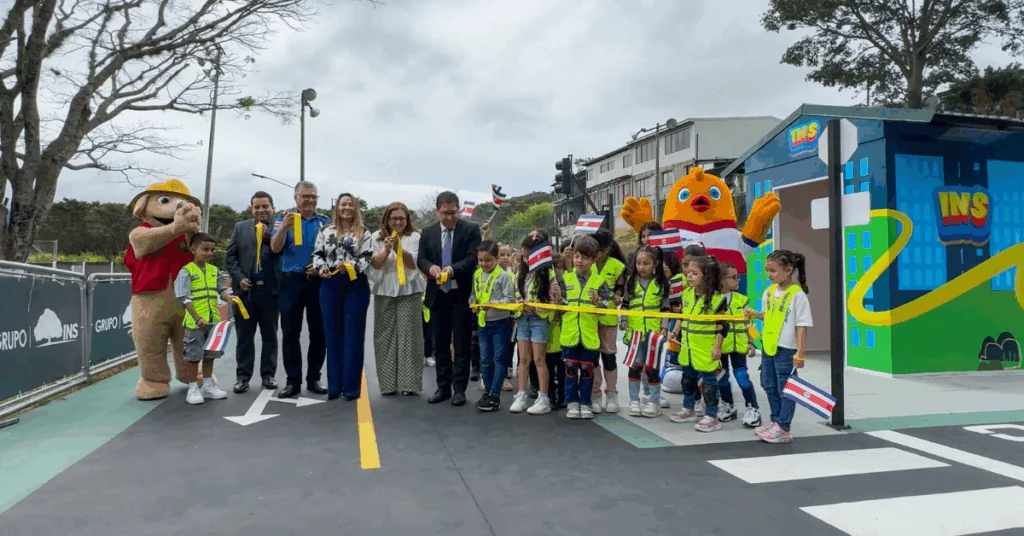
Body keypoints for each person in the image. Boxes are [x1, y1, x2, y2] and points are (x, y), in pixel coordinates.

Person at [417, 191, 482, 406]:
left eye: (453, 213)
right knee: (440, 343)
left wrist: (452, 270)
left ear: (459, 210)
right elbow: (422, 259)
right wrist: (431, 268)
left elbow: (473, 258)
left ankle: (459, 389)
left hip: (459, 293)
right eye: (445, 213)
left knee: (462, 343)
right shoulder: (428, 232)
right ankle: (442, 387)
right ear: (437, 212)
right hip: (438, 295)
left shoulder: (470, 230)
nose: (449, 218)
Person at [744, 250, 812, 444]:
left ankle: (784, 427)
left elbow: (802, 325)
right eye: (767, 270)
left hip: (786, 350)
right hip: (769, 347)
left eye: (773, 270)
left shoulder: (797, 295)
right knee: (768, 384)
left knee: (787, 389)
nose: (769, 274)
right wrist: (755, 314)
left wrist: (800, 352)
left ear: (788, 270)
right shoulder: (769, 292)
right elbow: (769, 315)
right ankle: (775, 422)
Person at [271, 181, 330, 398]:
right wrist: (285, 227)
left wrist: (319, 266)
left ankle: (314, 378)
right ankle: (292, 381)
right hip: (291, 281)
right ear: (296, 198)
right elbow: (275, 248)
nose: (310, 200)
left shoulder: (324, 221)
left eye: (314, 196)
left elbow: (331, 252)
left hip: (317, 281)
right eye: (306, 196)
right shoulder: (282, 218)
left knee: (319, 332)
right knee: (290, 333)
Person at [312, 193, 373, 400]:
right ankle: (334, 386)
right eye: (343, 204)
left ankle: (351, 388)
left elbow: (367, 257)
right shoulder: (324, 231)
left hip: (355, 285)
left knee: (353, 337)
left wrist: (350, 267)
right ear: (337, 208)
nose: (346, 207)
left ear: (356, 208)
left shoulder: (364, 232)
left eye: (350, 204)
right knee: (332, 336)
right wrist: (321, 269)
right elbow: (317, 254)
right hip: (330, 284)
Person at [224, 191, 282, 393]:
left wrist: (269, 237)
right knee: (244, 338)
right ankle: (243, 377)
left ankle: (268, 376)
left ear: (272, 207)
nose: (261, 210)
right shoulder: (240, 228)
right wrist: (240, 279)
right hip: (245, 294)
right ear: (252, 209)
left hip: (270, 292)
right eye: (257, 207)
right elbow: (230, 258)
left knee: (270, 337)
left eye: (265, 206)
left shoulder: (280, 227)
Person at [369, 202, 426, 396]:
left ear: (407, 219)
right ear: (387, 220)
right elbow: (374, 265)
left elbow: (415, 263)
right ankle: (388, 384)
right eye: (394, 219)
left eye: (402, 218)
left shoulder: (415, 237)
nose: (398, 222)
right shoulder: (375, 237)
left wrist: (399, 247)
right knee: (384, 337)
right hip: (384, 290)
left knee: (409, 337)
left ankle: (408, 385)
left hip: (409, 291)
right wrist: (386, 250)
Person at [670, 255, 729, 432]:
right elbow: (682, 317)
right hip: (687, 347)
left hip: (706, 348)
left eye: (694, 273)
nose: (689, 276)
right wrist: (674, 332)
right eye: (688, 272)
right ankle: (688, 408)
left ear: (707, 275)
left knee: (709, 383)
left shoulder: (717, 299)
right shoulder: (686, 294)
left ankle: (712, 415)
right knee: (687, 379)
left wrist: (718, 347)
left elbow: (722, 326)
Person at [174, 233, 232, 405]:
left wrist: (231, 297)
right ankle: (193, 388)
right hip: (195, 323)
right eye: (205, 249)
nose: (209, 253)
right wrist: (197, 318)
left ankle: (207, 385)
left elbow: (222, 290)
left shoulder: (215, 271)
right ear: (193, 249)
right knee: (193, 356)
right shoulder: (186, 271)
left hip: (212, 322)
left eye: (212, 250)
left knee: (209, 355)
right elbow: (184, 298)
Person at [509, 231, 559, 415]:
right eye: (523, 255)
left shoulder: (548, 273)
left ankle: (543, 397)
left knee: (539, 359)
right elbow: (515, 296)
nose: (527, 259)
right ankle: (521, 394)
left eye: (530, 255)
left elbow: (554, 303)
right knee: (523, 359)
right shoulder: (519, 273)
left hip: (539, 321)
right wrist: (520, 306)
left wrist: (537, 308)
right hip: (522, 319)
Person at [617, 245, 670, 418]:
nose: (642, 267)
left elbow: (665, 308)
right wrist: (623, 320)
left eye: (646, 263)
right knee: (635, 366)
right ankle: (634, 400)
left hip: (654, 334)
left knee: (652, 368)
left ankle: (654, 401)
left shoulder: (661, 283)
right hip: (635, 332)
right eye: (639, 263)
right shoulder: (630, 282)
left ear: (655, 264)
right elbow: (625, 304)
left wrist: (664, 326)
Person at [560, 236, 609, 420]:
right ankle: (572, 402)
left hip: (589, 335)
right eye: (577, 256)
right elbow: (561, 304)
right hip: (570, 333)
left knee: (588, 370)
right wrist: (558, 300)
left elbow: (606, 308)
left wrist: (599, 304)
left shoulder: (600, 281)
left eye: (585, 258)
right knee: (571, 368)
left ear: (593, 259)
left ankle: (586, 403)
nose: (580, 261)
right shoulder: (566, 278)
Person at [469, 240, 516, 411]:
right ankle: (488, 392)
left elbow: (509, 300)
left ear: (496, 259)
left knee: (499, 358)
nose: (484, 264)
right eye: (481, 260)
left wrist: (493, 304)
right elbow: (473, 294)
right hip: (483, 322)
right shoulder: (476, 274)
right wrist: (473, 302)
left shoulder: (503, 276)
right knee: (485, 360)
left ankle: (495, 394)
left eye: (488, 260)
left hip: (500, 322)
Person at [717, 261, 761, 427]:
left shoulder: (741, 300)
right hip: (719, 347)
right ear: (722, 279)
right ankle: (728, 405)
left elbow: (749, 324)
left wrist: (751, 343)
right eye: (734, 277)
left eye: (738, 277)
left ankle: (752, 408)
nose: (738, 280)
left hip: (738, 347)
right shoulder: (712, 300)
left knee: (742, 378)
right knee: (722, 378)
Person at [590, 229, 626, 414]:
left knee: (609, 356)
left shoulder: (617, 265)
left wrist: (618, 297)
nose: (599, 254)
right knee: (593, 357)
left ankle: (611, 393)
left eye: (603, 250)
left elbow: (620, 288)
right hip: (589, 318)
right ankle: (595, 394)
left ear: (609, 248)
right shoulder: (587, 264)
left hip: (608, 318)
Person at [545, 252, 567, 409]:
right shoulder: (546, 282)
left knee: (563, 369)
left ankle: (563, 395)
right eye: (554, 268)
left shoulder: (566, 282)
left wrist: (561, 299)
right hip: (548, 330)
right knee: (549, 367)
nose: (557, 271)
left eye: (560, 267)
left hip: (564, 331)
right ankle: (550, 395)